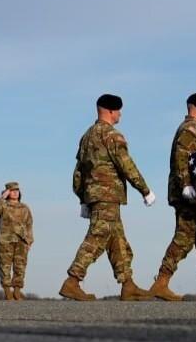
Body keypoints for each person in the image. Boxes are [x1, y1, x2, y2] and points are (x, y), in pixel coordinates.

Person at [60, 93, 157, 301]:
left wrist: (83, 198)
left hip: (96, 196)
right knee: (97, 237)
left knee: (118, 241)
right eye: (119, 110)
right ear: (112, 111)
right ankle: (73, 280)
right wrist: (145, 190)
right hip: (108, 195)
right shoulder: (113, 135)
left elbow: (79, 171)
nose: (120, 114)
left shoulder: (87, 136)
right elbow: (126, 165)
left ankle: (128, 284)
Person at [151, 93, 196, 301]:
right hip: (185, 194)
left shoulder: (191, 128)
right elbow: (182, 157)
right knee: (185, 238)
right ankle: (161, 282)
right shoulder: (190, 128)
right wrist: (186, 185)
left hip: (190, 194)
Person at [0, 181, 33, 300]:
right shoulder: (3, 205)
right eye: (12, 191)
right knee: (5, 267)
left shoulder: (25, 208)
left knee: (20, 267)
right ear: (7, 193)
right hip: (5, 241)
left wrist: (29, 241)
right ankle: (7, 291)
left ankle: (17, 291)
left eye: (17, 191)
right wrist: (2, 198)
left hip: (21, 241)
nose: (15, 193)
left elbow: (29, 225)